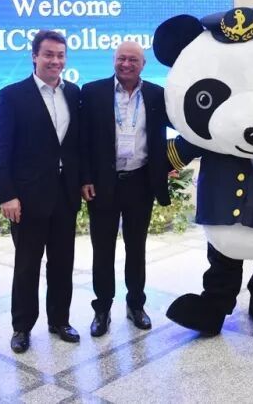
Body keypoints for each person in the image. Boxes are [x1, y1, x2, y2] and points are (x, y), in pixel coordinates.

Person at [0, 30, 81, 353]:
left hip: (65, 196)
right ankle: (22, 327)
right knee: (27, 265)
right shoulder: (12, 96)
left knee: (62, 263)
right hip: (27, 200)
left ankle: (60, 320)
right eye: (48, 54)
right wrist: (6, 195)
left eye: (60, 55)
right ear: (34, 56)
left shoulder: (73, 93)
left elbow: (75, 145)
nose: (55, 61)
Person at [80, 41, 170, 337]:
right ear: (113, 61)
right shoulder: (92, 92)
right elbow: (82, 140)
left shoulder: (157, 94)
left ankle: (136, 305)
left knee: (136, 248)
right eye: (121, 58)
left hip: (140, 183)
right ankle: (102, 309)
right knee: (102, 249)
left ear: (143, 64)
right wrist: (85, 177)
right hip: (103, 184)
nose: (126, 64)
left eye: (133, 59)